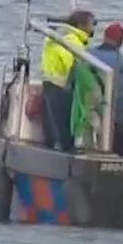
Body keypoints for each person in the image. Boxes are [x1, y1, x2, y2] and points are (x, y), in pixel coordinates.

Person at [70, 22, 123, 153]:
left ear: (104, 36)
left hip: (82, 112)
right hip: (108, 116)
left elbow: (72, 81)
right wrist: (118, 121)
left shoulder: (85, 55)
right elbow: (122, 96)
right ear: (121, 41)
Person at [40, 9, 94, 152]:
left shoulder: (60, 36)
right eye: (91, 24)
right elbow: (73, 65)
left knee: (53, 125)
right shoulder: (71, 41)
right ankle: (66, 150)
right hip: (61, 85)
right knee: (64, 124)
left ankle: (55, 148)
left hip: (51, 83)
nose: (93, 28)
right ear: (81, 25)